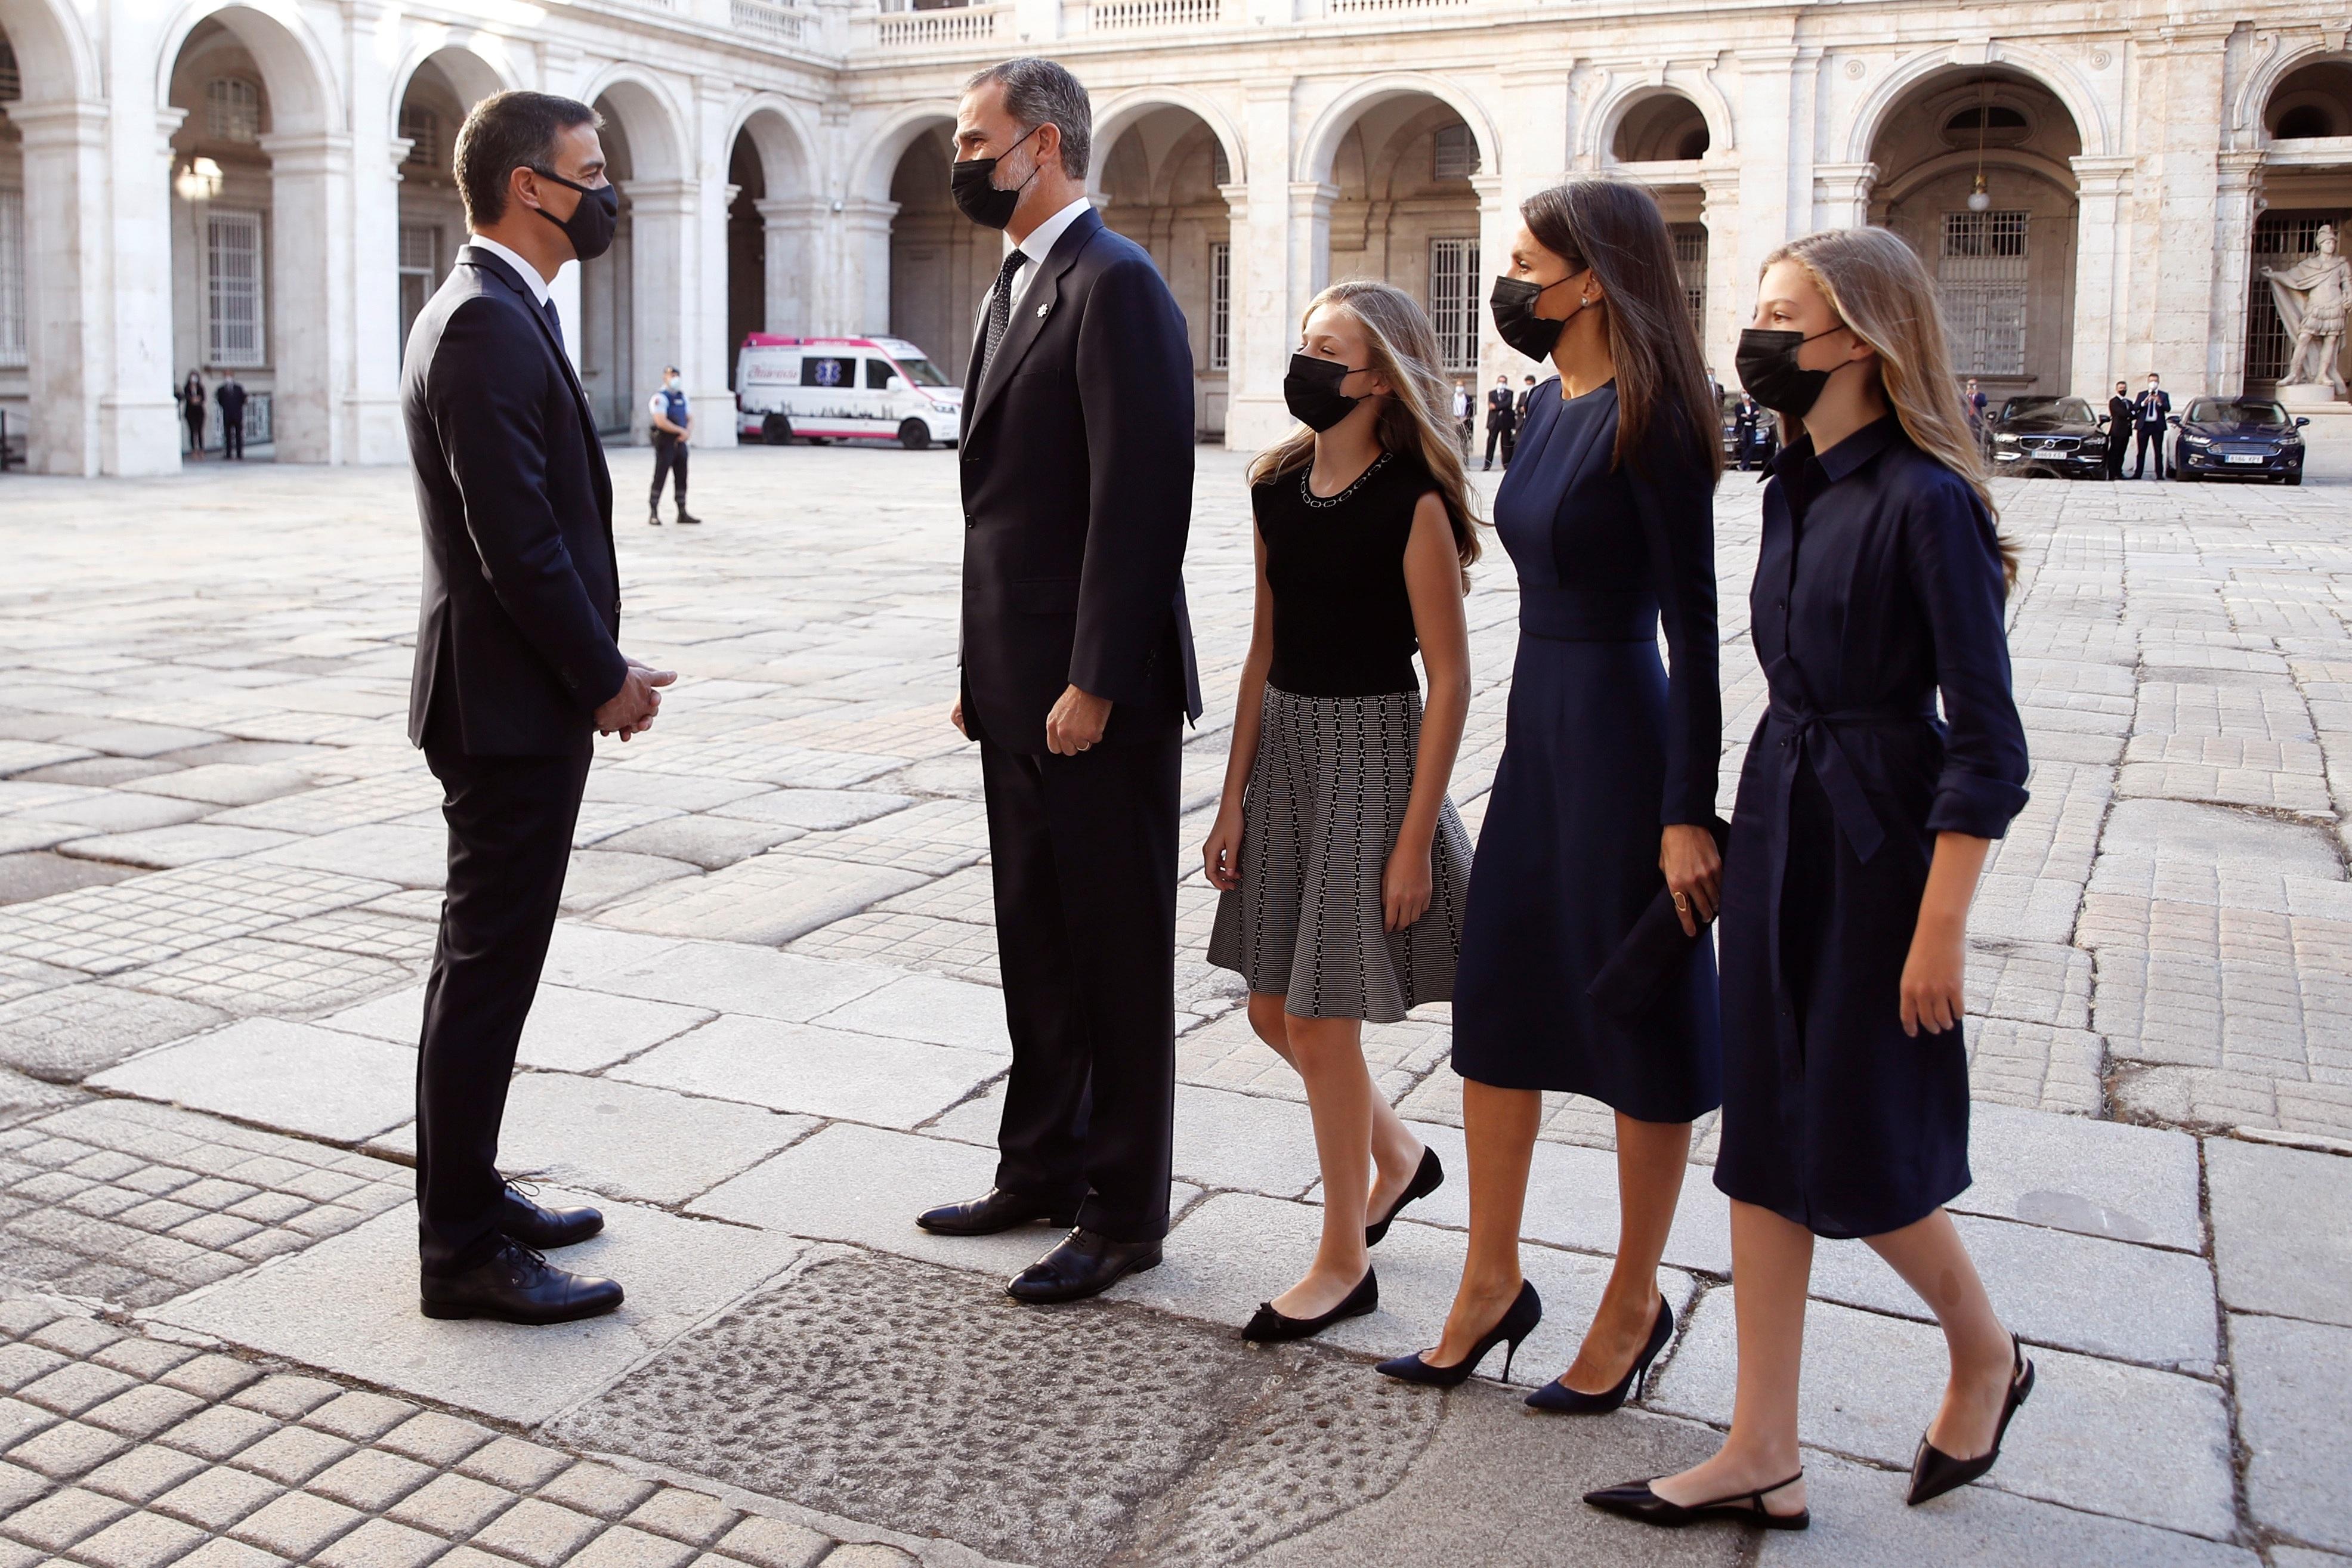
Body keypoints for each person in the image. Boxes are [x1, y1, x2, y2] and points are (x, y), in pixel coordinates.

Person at [1588, 225, 2031, 1530]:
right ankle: (1761, 1448)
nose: (1760, 335)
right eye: (1762, 310)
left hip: (1882, 840)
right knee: (1766, 1139)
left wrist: (1939, 926)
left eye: (1788, 314)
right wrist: (1723, 824)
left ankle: (1986, 1350)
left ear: (1862, 341)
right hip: (1785, 813)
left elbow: (1989, 743)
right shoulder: (1792, 483)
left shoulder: (1928, 501)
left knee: (1859, 1144)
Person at [1380, 180, 1723, 1407]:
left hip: (1628, 733)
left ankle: (1633, 1298)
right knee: (1502, 1004)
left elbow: (1697, 625)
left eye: (1526, 263)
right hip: (1542, 726)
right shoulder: (1542, 403)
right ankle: (1488, 1278)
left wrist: (1691, 809)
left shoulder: (1659, 416)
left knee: (1642, 1017)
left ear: (1595, 278)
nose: (1507, 284)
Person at [919, 57, 1203, 1306]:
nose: (963, 159)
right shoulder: (1015, 288)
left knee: (1115, 946)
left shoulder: (1117, 285)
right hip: (1017, 679)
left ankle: (1126, 1205)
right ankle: (1039, 1161)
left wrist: (1092, 678)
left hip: (1098, 693)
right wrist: (985, 668)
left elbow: (1140, 506)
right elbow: (1004, 510)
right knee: (1033, 932)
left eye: (977, 140)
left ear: (1042, 145)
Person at [401, 89, 675, 1324]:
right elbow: (517, 547)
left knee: (493, 968)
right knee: (485, 969)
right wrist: (600, 679)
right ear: (530, 187)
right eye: (591, 169)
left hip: (513, 701)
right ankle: (459, 1247)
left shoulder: (503, 311)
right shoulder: (484, 327)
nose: (608, 189)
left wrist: (597, 666)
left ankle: (472, 1192)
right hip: (506, 709)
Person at [1203, 280, 1478, 1344]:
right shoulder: (1275, 484)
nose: (1306, 363)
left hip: (1371, 753)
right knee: (1272, 1010)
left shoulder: (1411, 500)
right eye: (1304, 341)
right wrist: (1228, 794)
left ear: (1379, 379)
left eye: (1330, 349)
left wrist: (1414, 839)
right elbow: (1262, 642)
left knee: (1320, 1015)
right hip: (1284, 750)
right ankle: (1398, 1156)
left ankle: (1340, 1259)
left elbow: (1448, 679)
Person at [647, 366, 701, 526]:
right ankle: (654, 512)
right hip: (666, 442)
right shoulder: (660, 398)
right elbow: (660, 420)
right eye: (672, 375)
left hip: (681, 443)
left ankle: (682, 512)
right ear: (665, 377)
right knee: (660, 476)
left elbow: (690, 417)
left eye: (677, 375)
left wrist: (687, 432)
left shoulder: (682, 397)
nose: (675, 378)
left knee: (682, 476)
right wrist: (680, 431)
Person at [2131, 373, 2171, 479]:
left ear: (2158, 382)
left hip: (2157, 426)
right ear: (2148, 382)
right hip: (2144, 426)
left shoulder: (2163, 395)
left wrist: (2159, 402)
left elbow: (2168, 408)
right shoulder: (2142, 395)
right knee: (2141, 451)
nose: (2153, 383)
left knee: (2158, 451)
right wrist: (2144, 403)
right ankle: (2138, 473)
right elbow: (2135, 407)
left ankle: (2159, 474)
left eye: (2155, 381)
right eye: (2151, 381)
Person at [1484, 373, 1519, 471]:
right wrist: (1498, 406)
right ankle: (1487, 464)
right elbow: (1491, 405)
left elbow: (1508, 404)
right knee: (1491, 442)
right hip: (1494, 421)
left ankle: (1506, 464)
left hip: (1506, 421)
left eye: (1504, 382)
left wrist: (1496, 406)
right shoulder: (1492, 393)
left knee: (1506, 443)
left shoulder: (1509, 393)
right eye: (1500, 382)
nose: (1502, 384)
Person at [2105, 379, 2133, 480]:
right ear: (2117, 389)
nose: (2123, 390)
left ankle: (2119, 472)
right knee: (2114, 453)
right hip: (2117, 432)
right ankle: (2112, 473)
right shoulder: (2114, 402)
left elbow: (2135, 413)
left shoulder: (2129, 402)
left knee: (2122, 453)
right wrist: (2131, 414)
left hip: (2126, 432)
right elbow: (2124, 414)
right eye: (2121, 388)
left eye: (2124, 388)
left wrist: (2131, 414)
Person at [216, 374, 248, 461]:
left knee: (238, 435)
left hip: (237, 415)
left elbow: (243, 400)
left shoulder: (238, 388)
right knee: (228, 435)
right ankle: (228, 453)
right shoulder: (221, 389)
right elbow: (220, 401)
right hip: (227, 414)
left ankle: (239, 454)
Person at [180, 372, 206, 459]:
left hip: (199, 412)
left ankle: (201, 450)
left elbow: (203, 398)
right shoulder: (187, 388)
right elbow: (187, 397)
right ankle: (194, 451)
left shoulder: (200, 388)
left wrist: (198, 399)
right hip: (190, 413)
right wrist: (192, 399)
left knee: (200, 432)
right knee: (192, 432)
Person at [1734, 393, 1761, 472]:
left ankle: (1743, 464)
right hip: (1743, 428)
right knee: (1745, 446)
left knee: (1752, 445)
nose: (1746, 394)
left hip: (1752, 428)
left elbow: (1757, 416)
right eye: (1743, 392)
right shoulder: (1739, 406)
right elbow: (1740, 417)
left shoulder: (1754, 405)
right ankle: (1747, 465)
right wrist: (1752, 416)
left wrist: (1747, 416)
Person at [1452, 379, 1475, 457]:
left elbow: (1471, 410)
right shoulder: (1452, 398)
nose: (1459, 387)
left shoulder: (1468, 398)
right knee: (1454, 442)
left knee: (1464, 442)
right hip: (1454, 422)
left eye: (1461, 386)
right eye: (1458, 385)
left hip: (1464, 421)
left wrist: (1466, 418)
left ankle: (1465, 461)